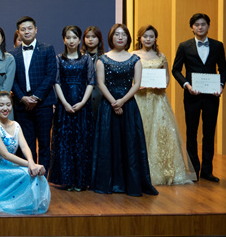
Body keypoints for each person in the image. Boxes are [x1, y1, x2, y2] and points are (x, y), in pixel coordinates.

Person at [91, 24, 158, 197]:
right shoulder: (102, 59)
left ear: (128, 38)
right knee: (108, 143)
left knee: (130, 144)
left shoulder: (135, 59)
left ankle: (131, 183)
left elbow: (136, 84)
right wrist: (114, 102)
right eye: (117, 34)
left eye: (123, 34)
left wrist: (121, 101)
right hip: (108, 106)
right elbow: (101, 84)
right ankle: (109, 182)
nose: (120, 37)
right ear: (111, 37)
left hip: (128, 106)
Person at [134, 25, 196, 185]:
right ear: (140, 38)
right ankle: (138, 170)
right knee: (140, 131)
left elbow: (166, 76)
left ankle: (161, 171)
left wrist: (162, 85)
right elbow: (130, 77)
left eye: (151, 36)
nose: (148, 39)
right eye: (145, 36)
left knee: (160, 133)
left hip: (158, 99)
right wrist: (136, 85)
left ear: (155, 38)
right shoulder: (133, 55)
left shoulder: (161, 56)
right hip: (139, 97)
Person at [171, 13, 226, 183]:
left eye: (203, 24)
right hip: (192, 96)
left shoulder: (218, 46)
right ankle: (194, 170)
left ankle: (207, 171)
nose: (200, 27)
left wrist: (221, 85)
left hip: (212, 96)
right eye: (196, 24)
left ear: (208, 26)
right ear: (192, 28)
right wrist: (186, 85)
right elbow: (175, 69)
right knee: (191, 133)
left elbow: (223, 69)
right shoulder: (184, 46)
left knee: (209, 133)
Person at [0, 91, 51, 215]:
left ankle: (27, 203)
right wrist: (30, 165)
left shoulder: (16, 124)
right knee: (27, 172)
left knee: (33, 173)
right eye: (1, 105)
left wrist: (32, 162)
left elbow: (25, 147)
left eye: (8, 105)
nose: (5, 108)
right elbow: (5, 154)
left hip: (11, 164)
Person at [48, 25, 95, 191]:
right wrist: (65, 103)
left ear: (80, 39)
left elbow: (91, 82)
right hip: (64, 106)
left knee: (82, 142)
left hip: (83, 106)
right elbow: (56, 82)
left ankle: (81, 180)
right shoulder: (58, 59)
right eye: (68, 37)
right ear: (63, 39)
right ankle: (66, 179)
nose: (71, 41)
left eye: (74, 37)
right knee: (65, 142)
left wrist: (82, 102)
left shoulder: (86, 59)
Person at [11, 16, 57, 168]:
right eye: (23, 29)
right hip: (22, 105)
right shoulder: (13, 53)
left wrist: (36, 97)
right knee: (26, 144)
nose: (27, 32)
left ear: (36, 30)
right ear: (18, 32)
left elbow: (51, 75)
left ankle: (42, 177)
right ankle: (29, 175)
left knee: (44, 143)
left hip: (43, 104)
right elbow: (12, 79)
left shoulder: (47, 49)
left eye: (30, 28)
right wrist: (22, 97)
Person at [83, 26, 105, 118]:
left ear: (99, 39)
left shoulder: (105, 58)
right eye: (87, 37)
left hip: (101, 100)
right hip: (82, 100)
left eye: (93, 37)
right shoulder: (79, 58)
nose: (90, 39)